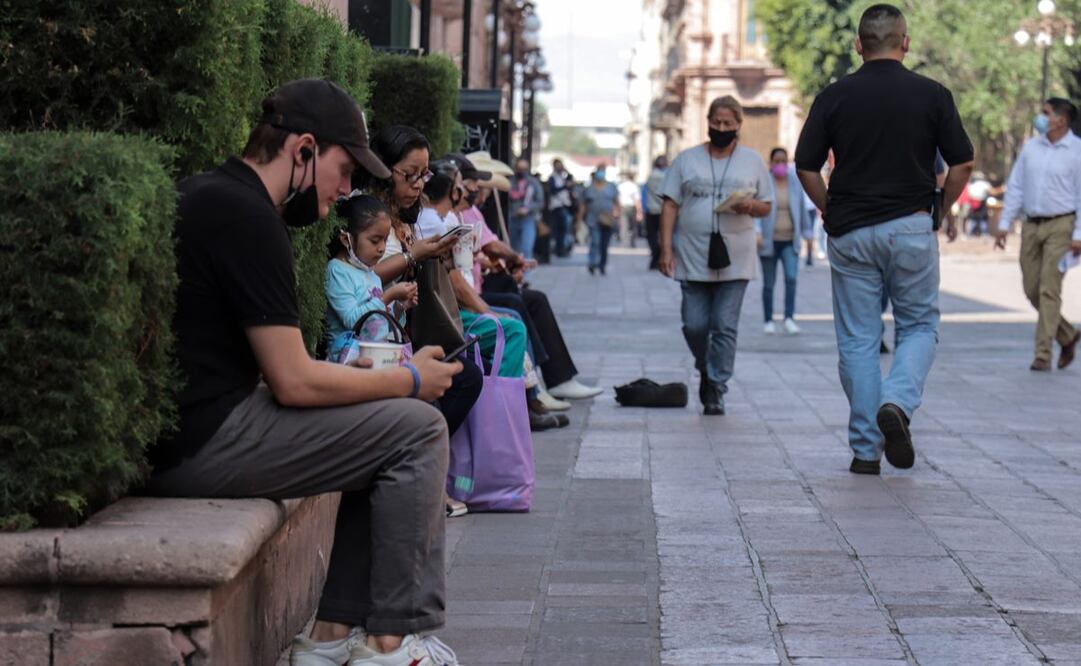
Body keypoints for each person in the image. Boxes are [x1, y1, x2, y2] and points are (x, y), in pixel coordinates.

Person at [145, 80, 465, 666]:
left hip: (200, 427)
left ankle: (329, 637)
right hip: (206, 442)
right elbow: (292, 381)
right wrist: (410, 379)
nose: (346, 189)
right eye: (343, 170)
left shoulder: (215, 196)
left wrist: (370, 385)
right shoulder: (246, 216)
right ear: (303, 150)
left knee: (387, 422)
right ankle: (392, 647)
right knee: (416, 428)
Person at [795, 4, 974, 476]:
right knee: (917, 327)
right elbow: (962, 164)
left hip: (851, 230)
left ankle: (865, 452)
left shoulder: (833, 96)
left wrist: (828, 207)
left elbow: (806, 166)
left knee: (858, 339)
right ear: (905, 41)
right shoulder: (933, 94)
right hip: (911, 227)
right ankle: (897, 401)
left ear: (859, 44)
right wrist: (942, 206)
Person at [365, 125, 484, 442]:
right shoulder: (365, 214)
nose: (418, 185)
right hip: (375, 334)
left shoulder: (405, 217)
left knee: (465, 373)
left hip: (406, 327)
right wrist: (413, 255)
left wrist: (435, 255)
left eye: (424, 176)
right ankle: (424, 461)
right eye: (410, 175)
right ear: (384, 169)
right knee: (463, 376)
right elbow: (360, 279)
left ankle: (431, 466)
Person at [659, 95, 773, 415]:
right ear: (707, 122)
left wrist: (749, 206)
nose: (721, 128)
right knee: (694, 324)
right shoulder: (687, 160)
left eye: (727, 124)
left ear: (738, 125)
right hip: (693, 254)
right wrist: (666, 249)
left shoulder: (752, 161)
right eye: (715, 122)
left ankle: (716, 385)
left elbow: (766, 205)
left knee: (724, 324)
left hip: (737, 254)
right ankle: (706, 365)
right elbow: (670, 204)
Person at [994, 98, 1081, 372]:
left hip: (1061, 226)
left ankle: (1042, 354)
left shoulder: (1077, 151)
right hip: (1031, 225)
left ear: (1061, 120)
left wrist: (1079, 233)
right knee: (1032, 288)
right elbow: (1017, 186)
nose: (1040, 118)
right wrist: (1005, 223)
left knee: (1049, 289)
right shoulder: (1031, 148)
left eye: (1046, 113)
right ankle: (1067, 334)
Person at [324, 194, 418, 361]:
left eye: (385, 240)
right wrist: (388, 296)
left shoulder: (369, 272)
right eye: (375, 241)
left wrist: (400, 307)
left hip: (375, 356)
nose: (382, 248)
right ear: (347, 239)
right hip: (348, 362)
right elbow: (353, 320)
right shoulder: (337, 271)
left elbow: (379, 326)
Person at [758, 147, 815, 335]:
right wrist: (757, 232)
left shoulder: (794, 182)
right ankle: (768, 319)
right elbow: (757, 211)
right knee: (769, 283)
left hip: (790, 240)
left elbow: (801, 208)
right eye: (777, 161)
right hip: (769, 240)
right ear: (771, 163)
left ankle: (789, 318)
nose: (781, 164)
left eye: (784, 161)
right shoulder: (764, 182)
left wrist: (807, 231)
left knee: (791, 278)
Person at [579, 170, 621, 275]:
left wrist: (618, 216)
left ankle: (602, 265)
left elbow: (617, 202)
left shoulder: (611, 187)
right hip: (593, 220)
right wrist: (579, 219)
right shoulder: (589, 189)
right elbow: (583, 204)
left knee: (604, 244)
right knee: (595, 241)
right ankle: (592, 263)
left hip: (607, 220)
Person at [508, 157, 544, 260]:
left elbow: (540, 201)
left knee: (526, 247)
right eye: (519, 168)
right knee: (514, 249)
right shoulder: (510, 182)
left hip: (528, 218)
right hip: (513, 217)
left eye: (524, 168)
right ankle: (516, 273)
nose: (521, 171)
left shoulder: (533, 182)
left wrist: (528, 208)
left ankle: (526, 273)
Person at [546, 159, 576, 257]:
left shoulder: (563, 177)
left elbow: (571, 179)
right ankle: (559, 249)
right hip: (557, 206)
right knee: (561, 228)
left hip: (565, 205)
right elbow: (553, 190)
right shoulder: (552, 178)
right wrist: (564, 186)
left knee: (564, 229)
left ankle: (562, 248)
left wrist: (566, 171)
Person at [644, 156, 668, 270]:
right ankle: (658, 254)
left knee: (652, 235)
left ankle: (656, 255)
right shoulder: (665, 176)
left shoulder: (651, 176)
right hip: (663, 210)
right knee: (662, 235)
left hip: (651, 209)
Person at [618, 172, 643, 248]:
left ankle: (624, 242)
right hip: (632, 207)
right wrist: (639, 211)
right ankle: (632, 242)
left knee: (623, 225)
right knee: (633, 226)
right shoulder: (634, 187)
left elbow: (617, 198)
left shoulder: (621, 186)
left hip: (622, 206)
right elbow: (637, 200)